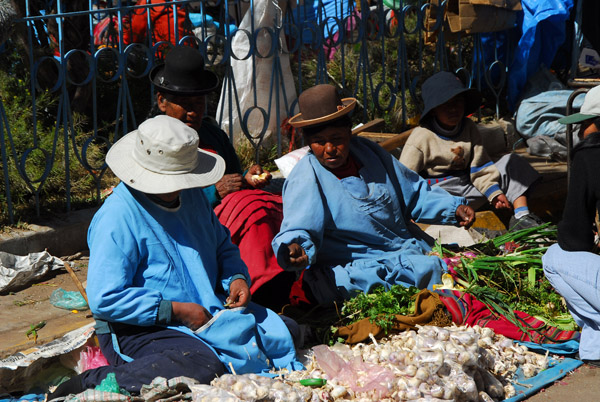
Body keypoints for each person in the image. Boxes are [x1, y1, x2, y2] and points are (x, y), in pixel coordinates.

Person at [47, 116, 302, 399]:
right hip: (139, 328)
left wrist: (236, 277)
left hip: (206, 311)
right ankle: (88, 382)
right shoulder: (117, 217)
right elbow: (106, 299)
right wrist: (175, 311)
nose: (178, 186)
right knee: (203, 365)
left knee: (285, 330)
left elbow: (222, 246)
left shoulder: (192, 198)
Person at [272, 84, 475, 305]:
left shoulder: (369, 153)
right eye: (320, 142)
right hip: (359, 266)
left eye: (336, 138)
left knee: (442, 267)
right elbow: (297, 227)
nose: (329, 148)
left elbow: (413, 192)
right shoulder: (306, 176)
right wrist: (295, 247)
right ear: (309, 142)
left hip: (406, 247)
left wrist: (452, 208)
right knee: (356, 282)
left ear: (349, 133)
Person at [149, 45, 294, 311]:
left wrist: (246, 178)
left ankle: (283, 280)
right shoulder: (152, 141)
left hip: (230, 215)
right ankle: (263, 289)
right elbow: (156, 197)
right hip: (187, 226)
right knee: (251, 209)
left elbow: (233, 176)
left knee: (267, 205)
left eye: (199, 103)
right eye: (185, 104)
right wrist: (213, 192)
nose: (193, 112)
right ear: (162, 101)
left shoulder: (213, 135)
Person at [399, 71, 543, 231]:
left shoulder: (468, 127)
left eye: (458, 102)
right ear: (433, 110)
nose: (453, 109)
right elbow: (404, 177)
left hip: (468, 186)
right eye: (446, 104)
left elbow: (480, 167)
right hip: (441, 193)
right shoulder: (421, 136)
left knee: (513, 161)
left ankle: (522, 216)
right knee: (429, 197)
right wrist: (407, 209)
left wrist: (493, 193)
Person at [542, 84, 600, 367]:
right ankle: (595, 350)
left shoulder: (590, 155)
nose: (579, 132)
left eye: (584, 124)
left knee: (553, 257)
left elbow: (574, 239)